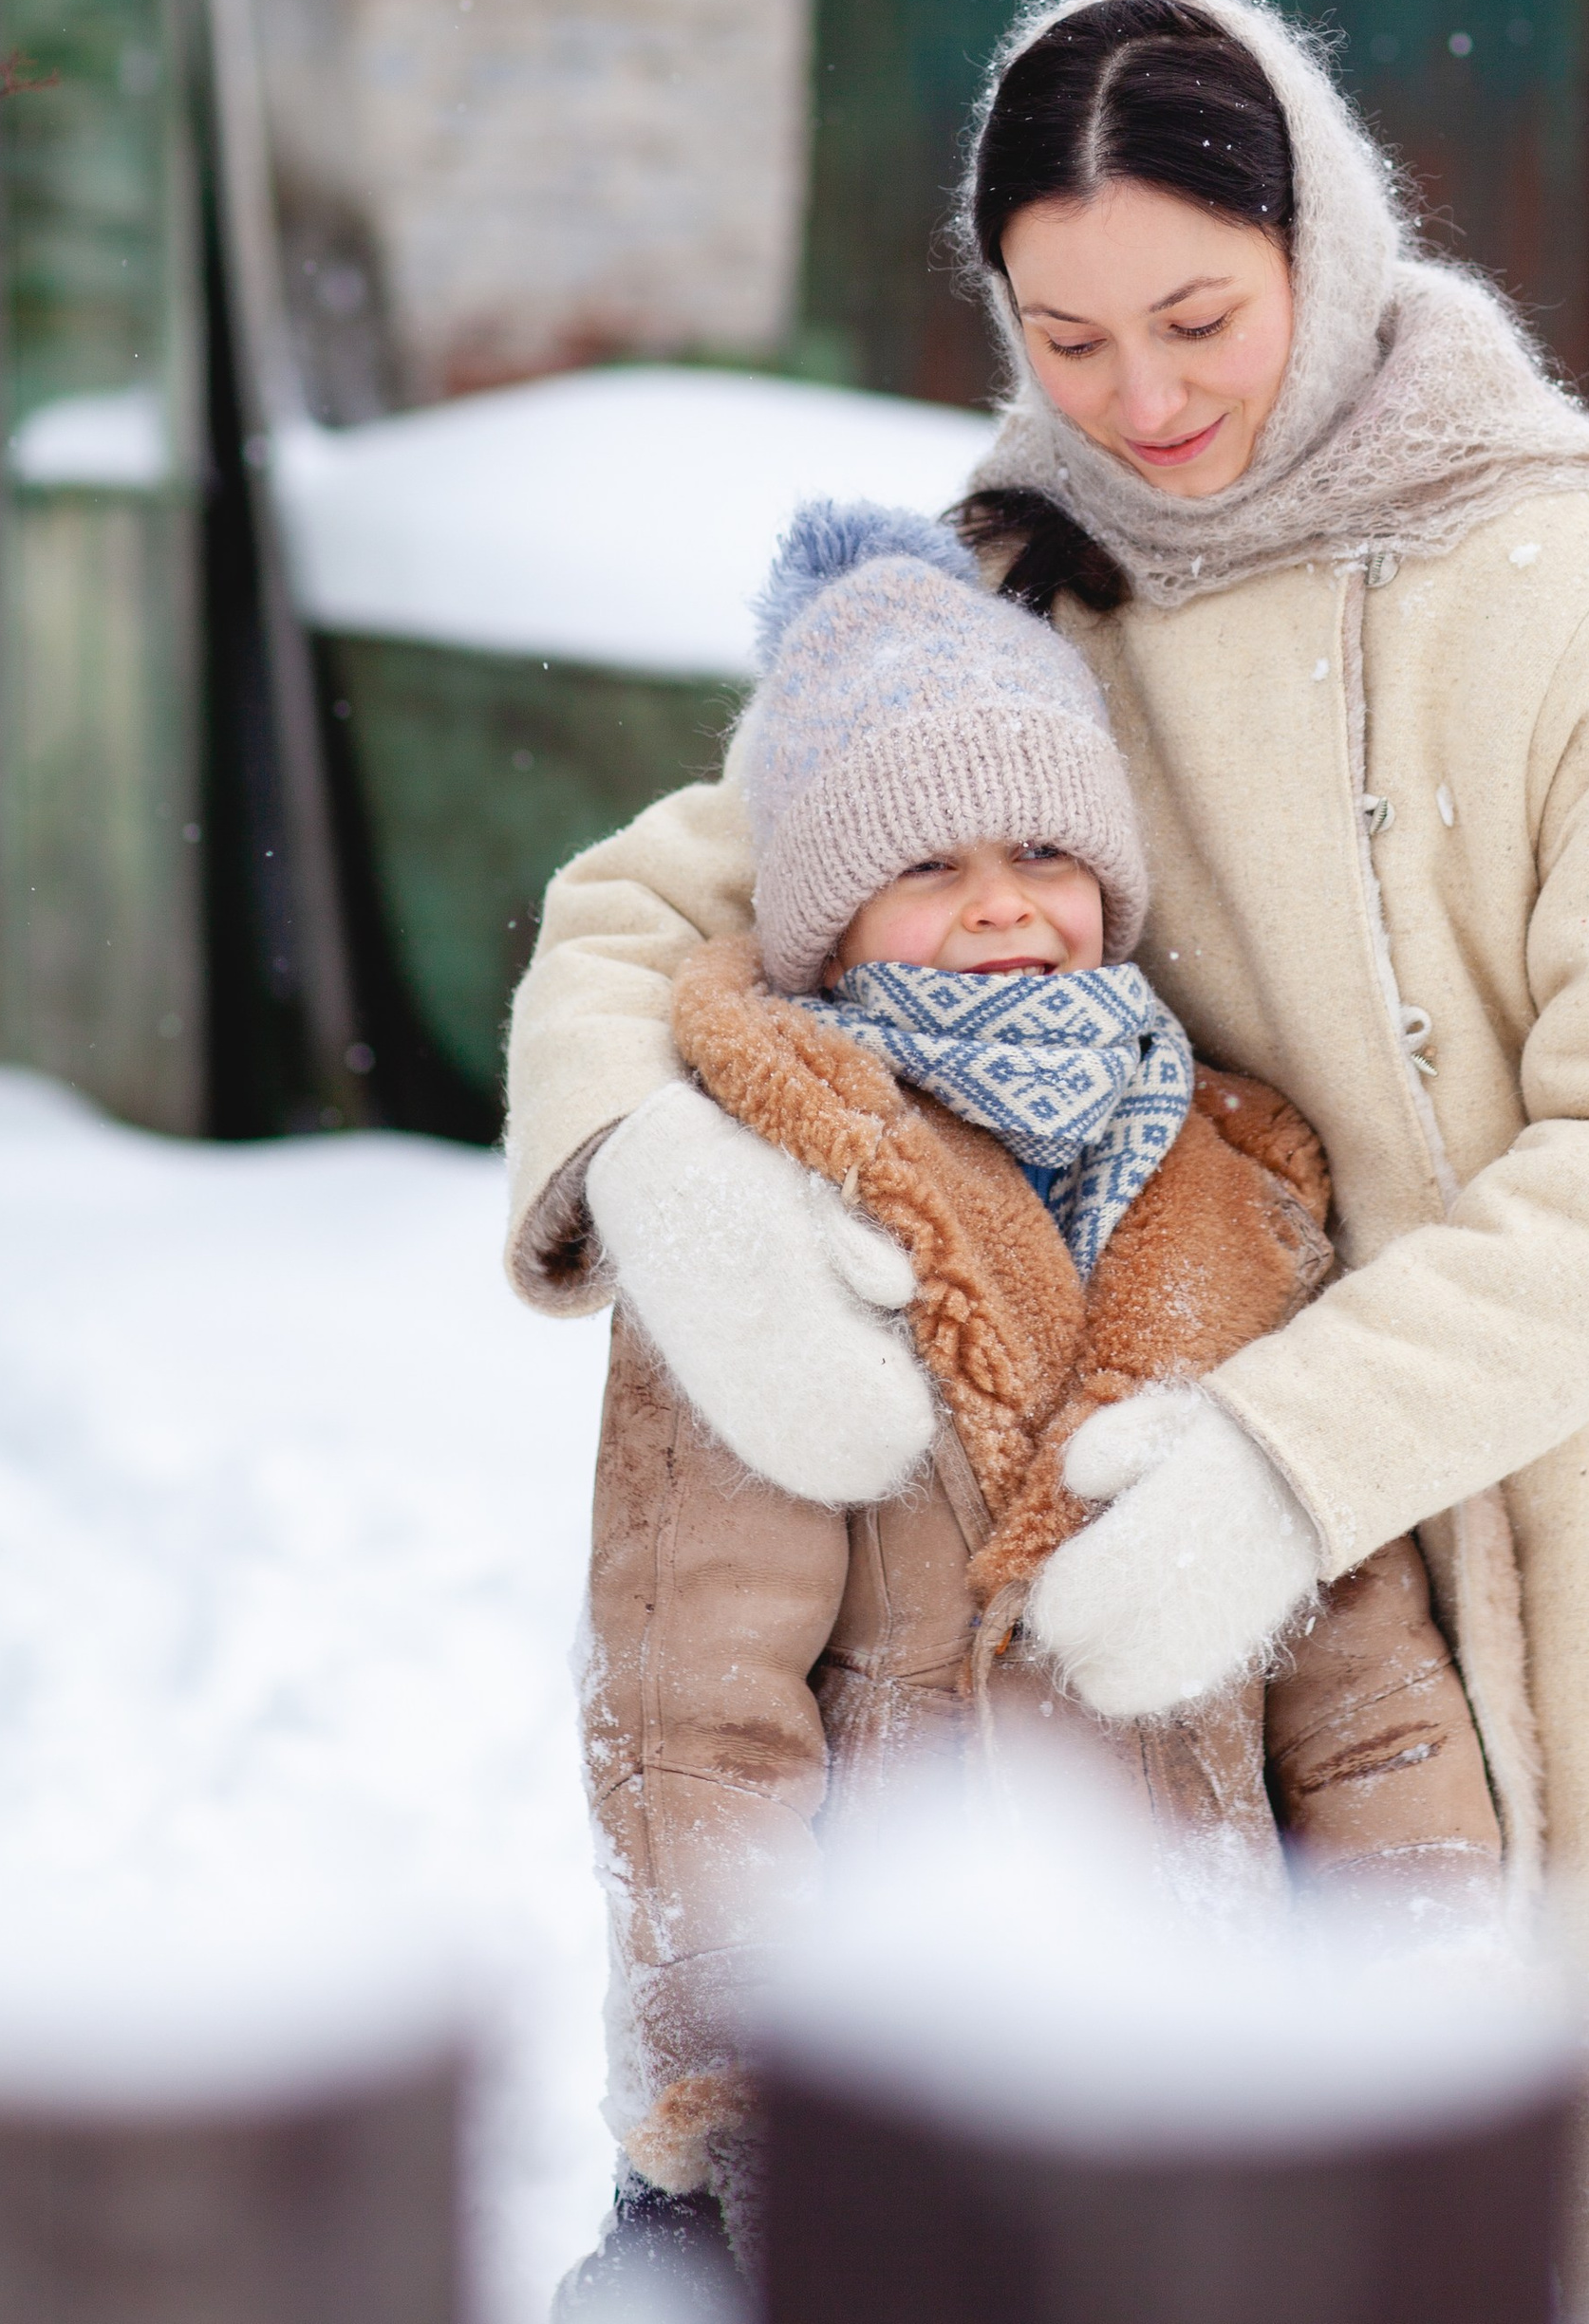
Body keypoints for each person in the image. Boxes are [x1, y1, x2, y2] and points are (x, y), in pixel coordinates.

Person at [507, 0, 1589, 2323]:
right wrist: (650, 1162)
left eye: (1196, 318)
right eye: (1065, 339)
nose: (1143, 403)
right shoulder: (1011, 585)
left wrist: (1294, 1464)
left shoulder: (1567, 580)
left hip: (1570, 1498)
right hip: (1154, 1486)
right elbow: (655, 896)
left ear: (1328, 243)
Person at [547, 494, 1503, 2295]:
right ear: (829, 921)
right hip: (906, 2050)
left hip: (1196, 2040)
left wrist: (1428, 1992)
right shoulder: (773, 1215)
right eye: (926, 864)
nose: (1001, 904)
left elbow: (1360, 1676)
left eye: (1045, 850)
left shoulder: (1239, 1199)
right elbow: (695, 1714)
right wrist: (746, 2082)